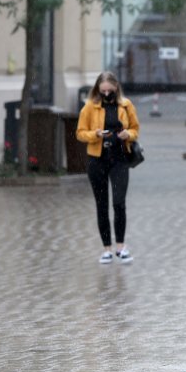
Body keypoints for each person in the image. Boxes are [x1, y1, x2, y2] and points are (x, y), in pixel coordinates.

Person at [76, 71, 140, 264]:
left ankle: (121, 246)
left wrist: (127, 134)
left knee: (119, 202)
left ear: (116, 88)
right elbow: (80, 133)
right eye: (102, 91)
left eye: (109, 91)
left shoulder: (126, 105)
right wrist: (95, 134)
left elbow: (135, 129)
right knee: (101, 204)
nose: (106, 94)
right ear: (97, 89)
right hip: (97, 159)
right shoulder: (89, 107)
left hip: (120, 159)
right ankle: (106, 248)